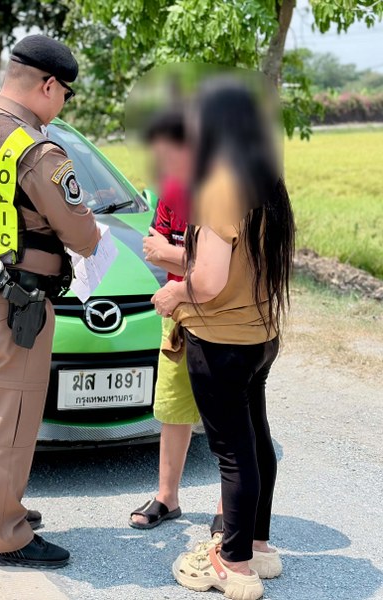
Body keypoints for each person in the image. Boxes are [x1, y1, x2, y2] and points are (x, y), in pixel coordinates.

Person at [0, 34, 100, 569]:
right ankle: (3, 536)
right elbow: (81, 235)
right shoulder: (34, 150)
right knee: (7, 423)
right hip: (11, 306)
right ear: (48, 85)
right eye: (65, 94)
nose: (63, 105)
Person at [152, 79, 294, 600]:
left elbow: (209, 281)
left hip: (220, 341)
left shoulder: (217, 188)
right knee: (254, 440)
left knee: (233, 452)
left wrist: (174, 294)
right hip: (259, 336)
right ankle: (257, 545)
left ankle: (232, 563)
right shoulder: (264, 179)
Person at [130, 108, 201, 530]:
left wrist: (172, 254)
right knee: (173, 406)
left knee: (226, 415)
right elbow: (151, 248)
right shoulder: (170, 191)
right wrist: (180, 257)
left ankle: (228, 509)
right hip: (177, 314)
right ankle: (167, 497)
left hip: (219, 315)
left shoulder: (219, 192)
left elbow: (222, 265)